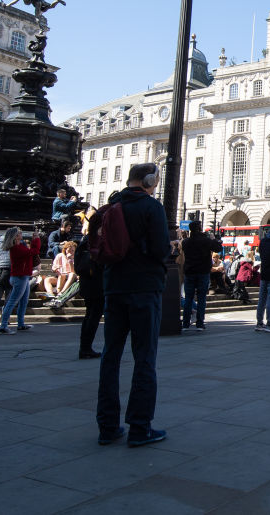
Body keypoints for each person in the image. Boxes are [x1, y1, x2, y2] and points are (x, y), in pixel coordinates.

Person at [96, 163, 171, 448]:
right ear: (150, 181)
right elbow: (160, 249)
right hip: (144, 289)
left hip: (114, 287)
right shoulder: (151, 207)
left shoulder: (112, 204)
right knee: (144, 358)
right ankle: (140, 427)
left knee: (110, 357)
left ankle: (107, 426)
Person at [181, 222, 224, 331]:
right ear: (200, 229)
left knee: (188, 298)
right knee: (201, 298)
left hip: (189, 272)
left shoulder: (186, 242)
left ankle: (185, 323)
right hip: (202, 272)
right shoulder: (206, 241)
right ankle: (200, 323)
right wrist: (214, 239)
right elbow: (218, 248)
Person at [0, 227, 42, 334]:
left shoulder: (19, 246)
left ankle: (21, 323)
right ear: (15, 236)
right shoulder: (16, 248)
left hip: (22, 276)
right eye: (19, 233)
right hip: (20, 277)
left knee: (23, 301)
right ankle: (3, 325)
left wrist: (34, 240)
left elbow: (30, 252)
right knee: (12, 301)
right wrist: (36, 240)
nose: (21, 234)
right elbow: (34, 251)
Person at [74, 210, 103, 359]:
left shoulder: (85, 240)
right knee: (93, 316)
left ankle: (84, 347)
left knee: (89, 315)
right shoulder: (96, 242)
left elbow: (77, 265)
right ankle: (86, 348)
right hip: (96, 284)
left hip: (87, 283)